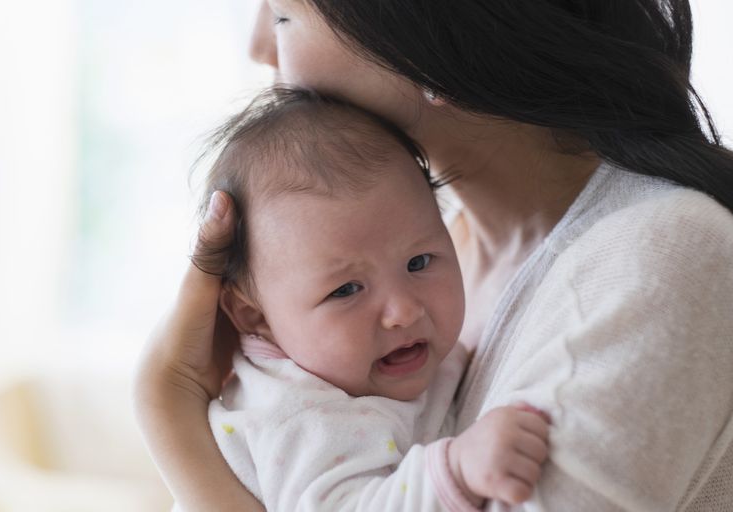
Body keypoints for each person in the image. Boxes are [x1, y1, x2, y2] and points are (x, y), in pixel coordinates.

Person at [134, 1, 733, 510]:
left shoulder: (651, 260)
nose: (258, 46)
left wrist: (170, 410)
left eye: (286, 15)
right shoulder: (436, 253)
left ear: (429, 36)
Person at [185, 86, 549, 511]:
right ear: (255, 317)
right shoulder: (300, 414)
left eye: (419, 262)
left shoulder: (360, 364)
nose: (404, 311)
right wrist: (456, 470)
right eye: (345, 291)